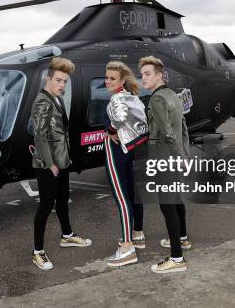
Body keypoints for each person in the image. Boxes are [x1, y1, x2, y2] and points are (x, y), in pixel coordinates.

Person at [31, 57, 92, 270]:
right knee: (46, 206)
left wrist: (64, 157)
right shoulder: (42, 101)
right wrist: (50, 164)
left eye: (65, 81)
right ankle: (37, 251)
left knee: (63, 200)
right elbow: (40, 135)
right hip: (48, 164)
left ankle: (66, 235)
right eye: (58, 80)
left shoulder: (56, 98)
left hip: (61, 160)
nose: (62, 85)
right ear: (48, 79)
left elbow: (59, 131)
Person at [139, 55, 192, 274]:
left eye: (147, 74)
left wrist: (179, 157)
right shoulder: (172, 94)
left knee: (167, 205)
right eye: (141, 74)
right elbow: (183, 129)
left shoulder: (156, 99)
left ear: (159, 75)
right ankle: (182, 238)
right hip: (174, 156)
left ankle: (177, 258)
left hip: (164, 158)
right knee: (176, 199)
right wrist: (185, 156)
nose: (143, 78)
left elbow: (168, 134)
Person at [103, 61, 149, 267]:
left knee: (121, 197)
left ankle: (127, 248)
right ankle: (137, 235)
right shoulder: (134, 97)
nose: (108, 81)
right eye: (106, 78)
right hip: (134, 149)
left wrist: (111, 130)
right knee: (133, 194)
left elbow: (120, 118)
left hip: (118, 151)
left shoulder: (117, 98)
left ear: (122, 80)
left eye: (112, 78)